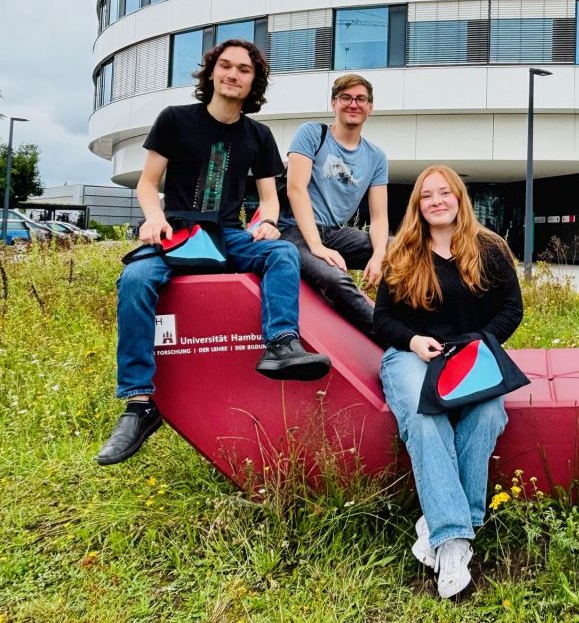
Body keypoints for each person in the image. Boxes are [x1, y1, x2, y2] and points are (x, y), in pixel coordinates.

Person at [96, 40, 330, 466]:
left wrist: (268, 222)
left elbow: (269, 198)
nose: (233, 74)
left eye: (244, 69)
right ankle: (139, 404)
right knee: (134, 280)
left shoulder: (258, 135)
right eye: (226, 65)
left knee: (282, 254)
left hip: (228, 235)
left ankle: (281, 344)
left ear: (253, 81)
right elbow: (148, 183)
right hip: (177, 232)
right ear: (211, 72)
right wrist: (152, 217)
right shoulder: (175, 120)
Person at [373, 165, 523, 599]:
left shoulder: (490, 248)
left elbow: (512, 310)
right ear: (417, 205)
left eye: (445, 193)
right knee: (424, 419)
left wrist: (477, 345)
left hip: (470, 354)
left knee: (490, 411)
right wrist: (414, 340)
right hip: (412, 355)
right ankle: (456, 541)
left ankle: (437, 525)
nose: (437, 201)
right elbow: (382, 319)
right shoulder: (402, 250)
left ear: (459, 197)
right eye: (427, 195)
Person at [280, 74, 389, 339]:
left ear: (370, 107)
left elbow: (378, 217)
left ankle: (430, 323)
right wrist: (317, 246)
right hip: (295, 232)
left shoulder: (376, 156)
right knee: (335, 279)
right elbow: (296, 189)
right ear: (333, 104)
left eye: (361, 99)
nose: (354, 104)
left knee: (404, 251)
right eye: (346, 98)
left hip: (334, 233)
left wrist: (378, 255)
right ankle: (391, 339)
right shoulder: (311, 133)